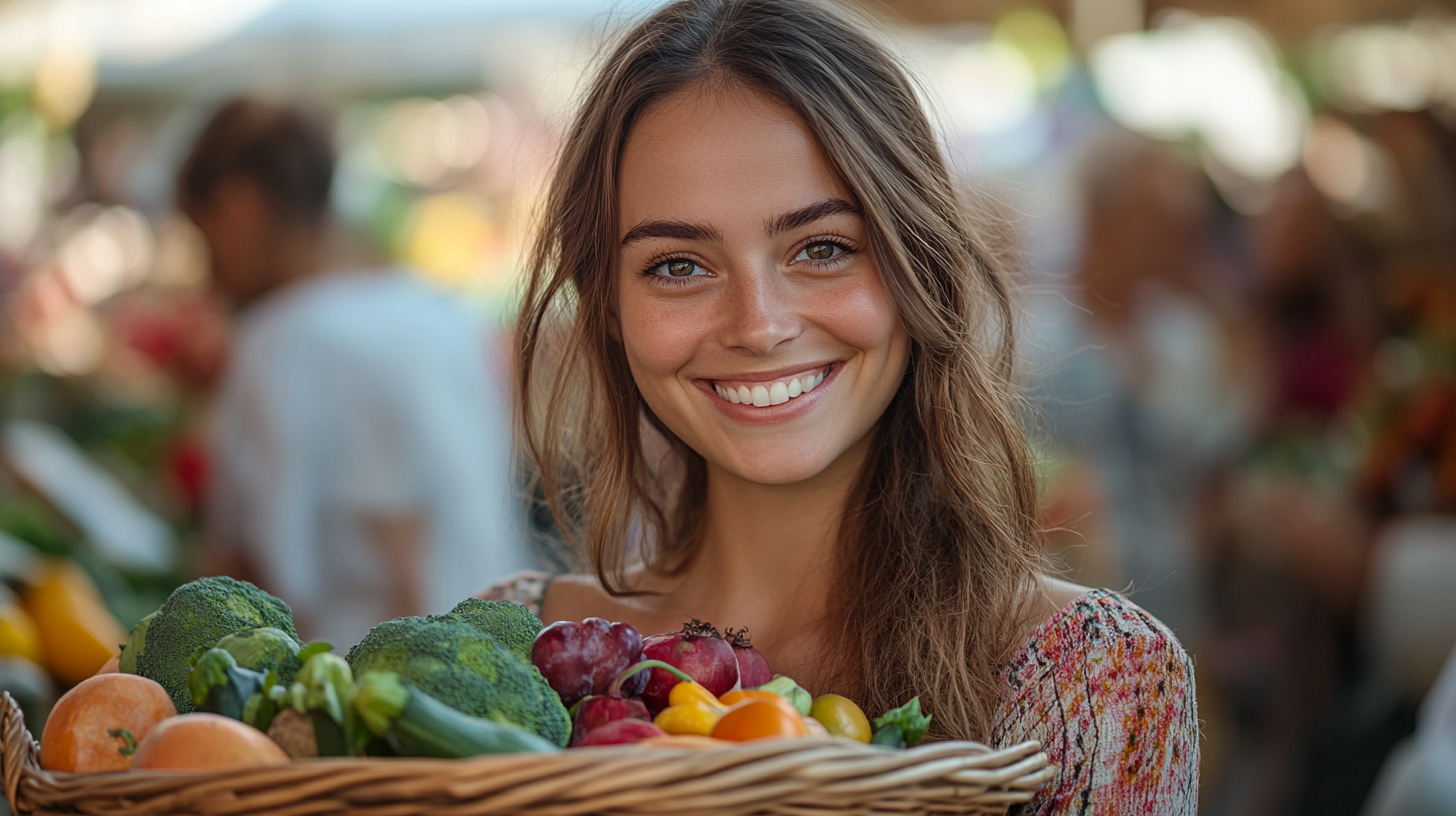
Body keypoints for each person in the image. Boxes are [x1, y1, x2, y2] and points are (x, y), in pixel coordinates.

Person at [488, 0, 1198, 812]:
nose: (758, 325)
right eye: (679, 265)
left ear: (918, 267)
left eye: (822, 248)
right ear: (606, 307)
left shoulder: (1093, 678)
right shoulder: (512, 654)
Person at [179, 98, 529, 648]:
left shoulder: (275, 341)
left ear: (238, 206)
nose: (206, 268)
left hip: (356, 688)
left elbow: (252, 566)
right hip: (501, 655)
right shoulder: (442, 311)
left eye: (202, 235)